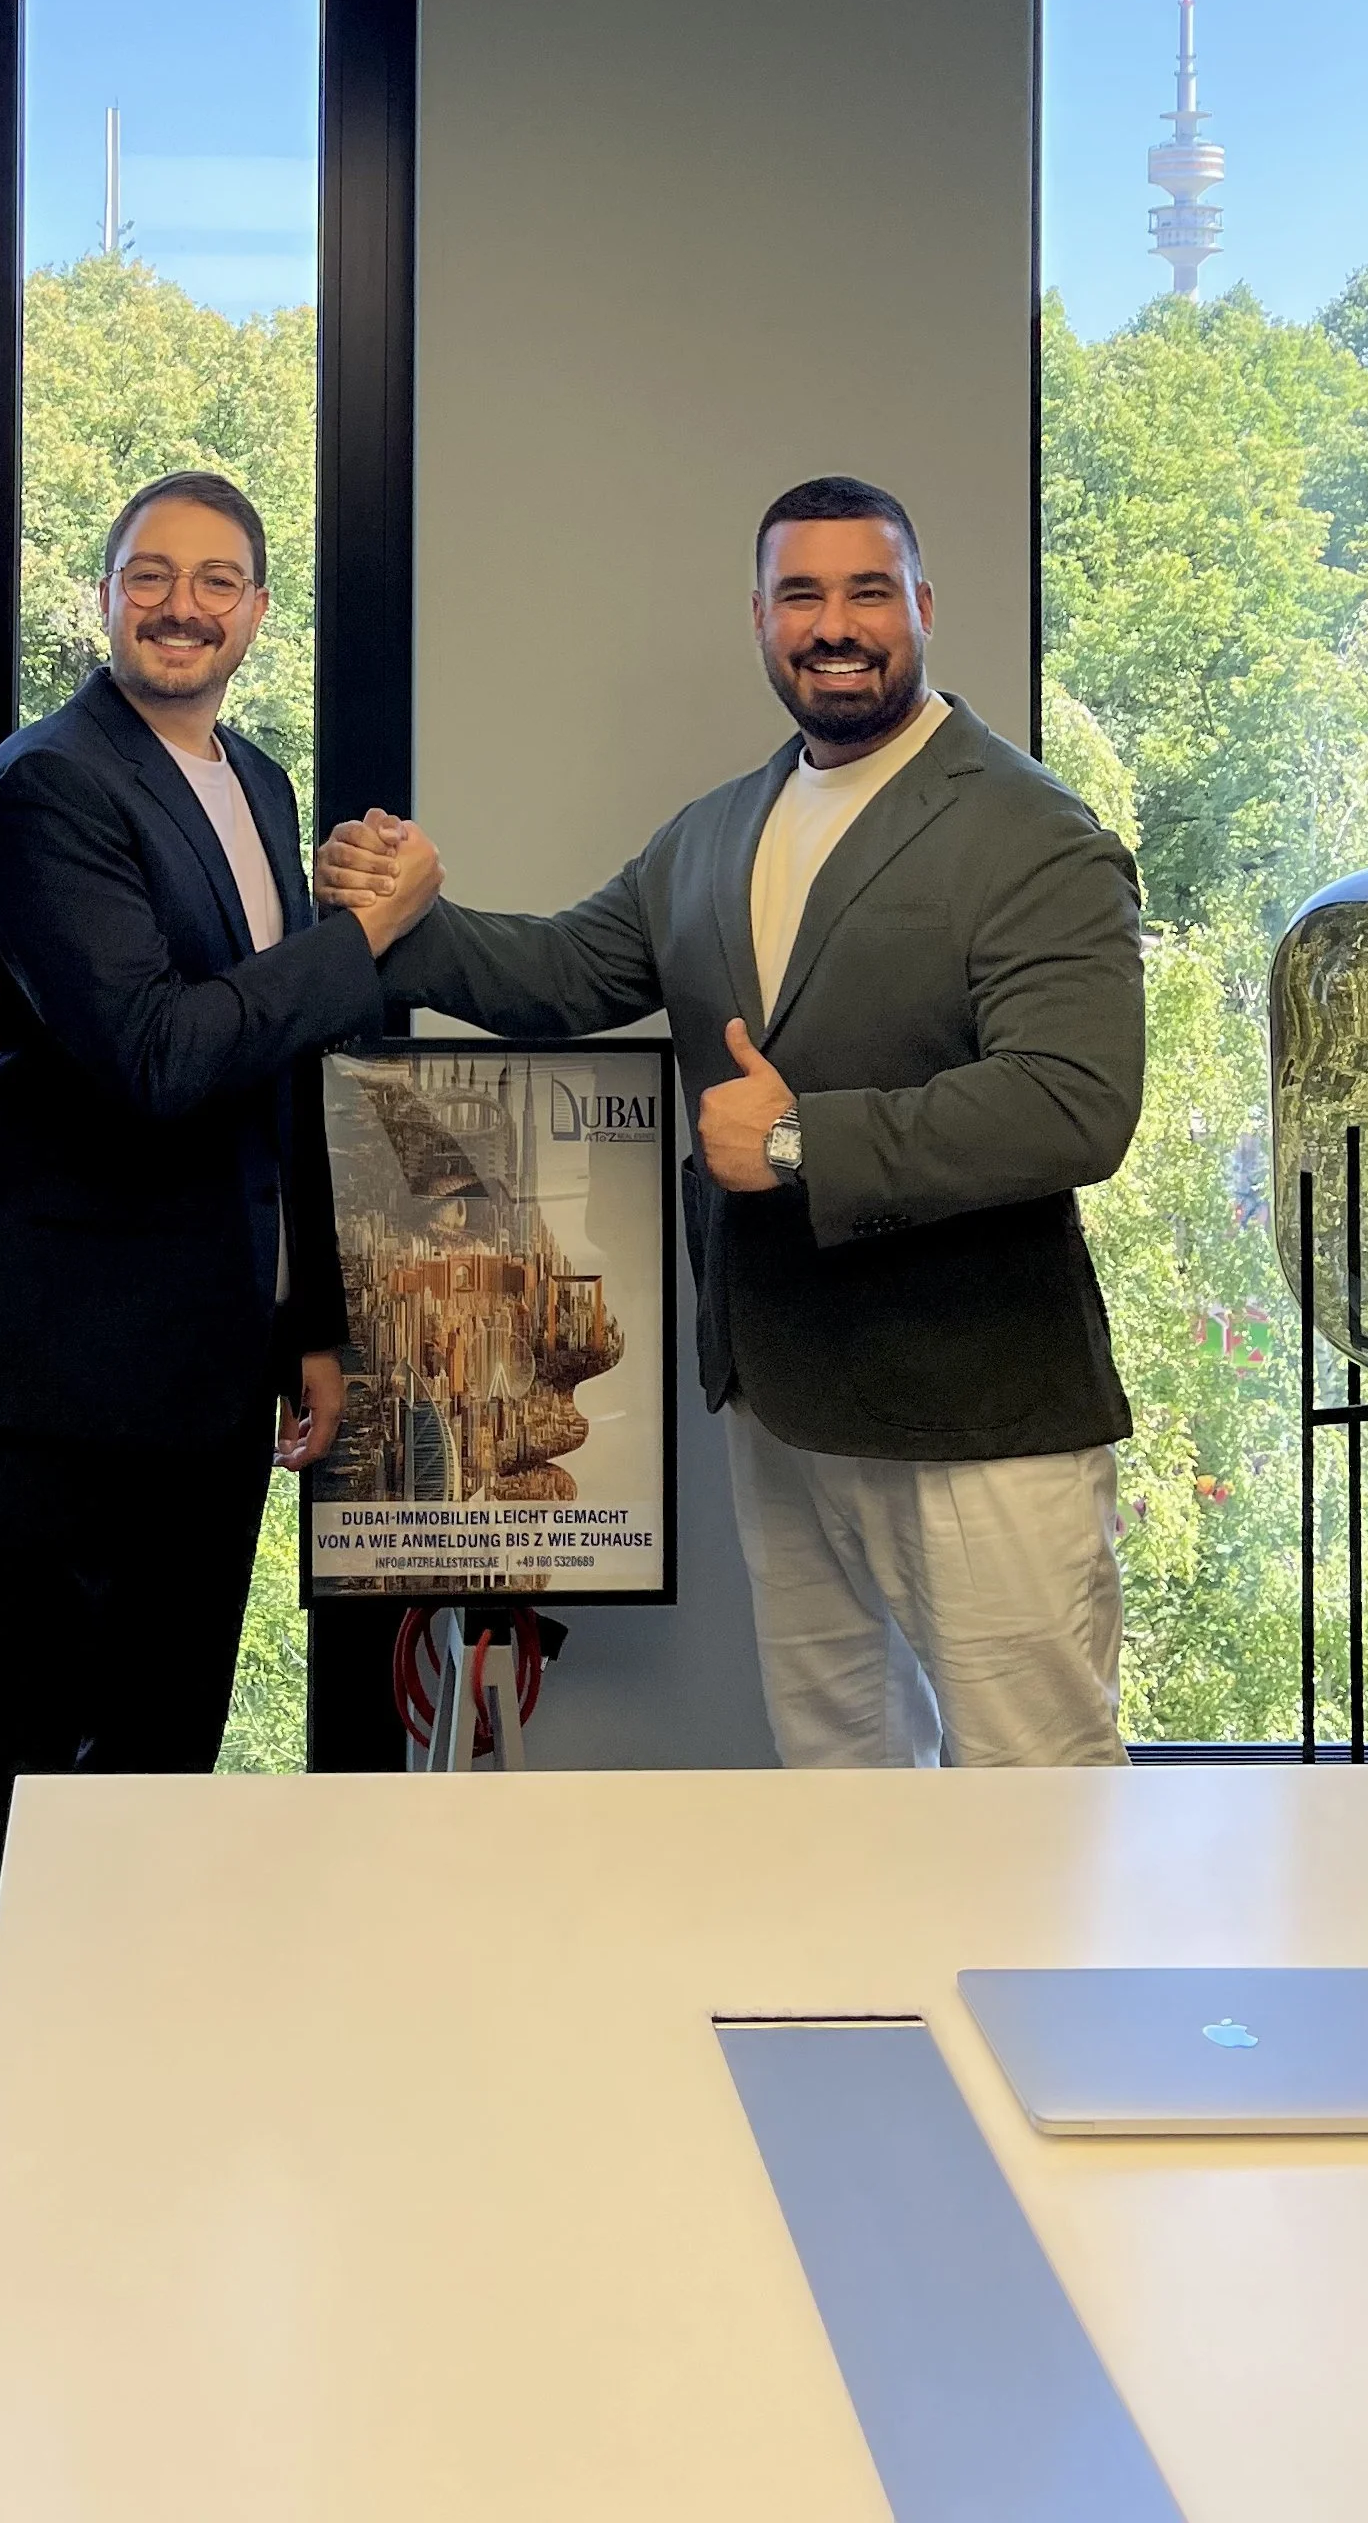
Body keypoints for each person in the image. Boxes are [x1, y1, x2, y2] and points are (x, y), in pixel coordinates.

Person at [316, 475, 1143, 1775]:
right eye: (800, 595)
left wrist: (805, 1139)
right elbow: (563, 975)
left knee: (1034, 1790)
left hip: (980, 1416)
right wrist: (410, 919)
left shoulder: (1029, 833)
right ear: (760, 619)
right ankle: (875, 1990)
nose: (835, 624)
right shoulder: (715, 834)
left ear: (922, 606)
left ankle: (1049, 1993)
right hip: (784, 1400)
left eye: (868, 591)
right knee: (835, 1776)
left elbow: (1075, 1103)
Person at [0, 467, 440, 2291]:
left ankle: (108, 2115)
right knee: (14, 1790)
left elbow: (277, 1080)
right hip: (50, 1369)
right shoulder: (43, 789)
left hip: (214, 1362)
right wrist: (362, 939)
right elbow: (152, 1054)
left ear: (258, 612)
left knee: (160, 1770)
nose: (184, 608)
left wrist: (315, 1319)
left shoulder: (254, 784)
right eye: (153, 577)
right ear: (104, 596)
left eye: (218, 583)